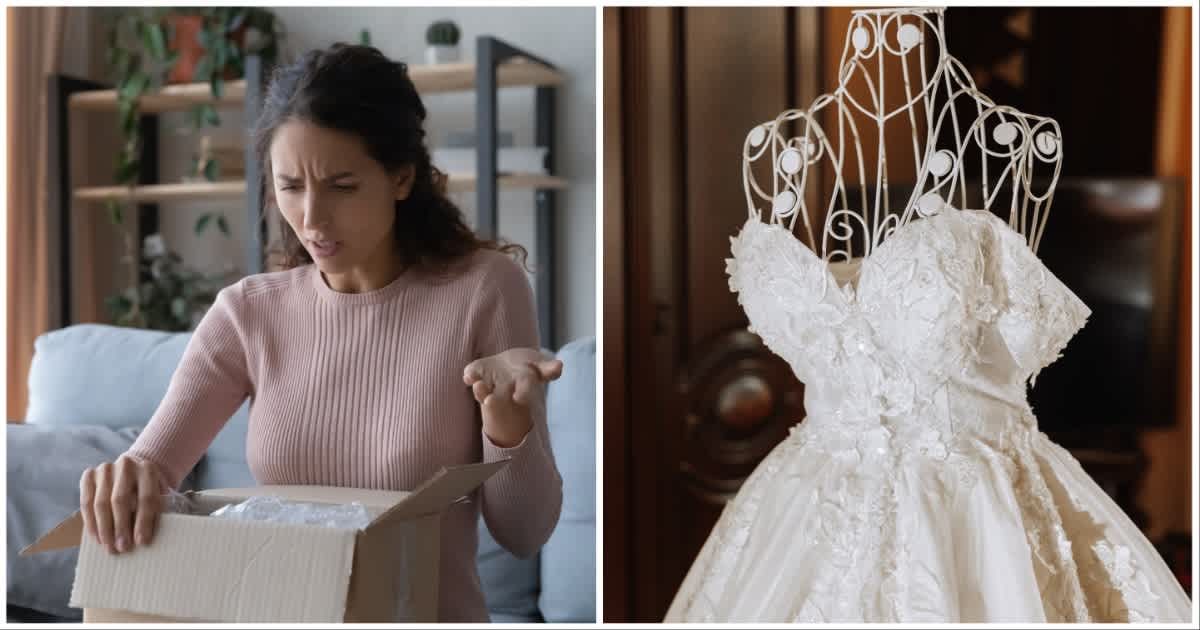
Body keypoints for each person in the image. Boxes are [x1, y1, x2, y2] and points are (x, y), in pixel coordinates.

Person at [77, 43, 564, 623]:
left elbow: (525, 533)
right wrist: (128, 479)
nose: (311, 218)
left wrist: (508, 423)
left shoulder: (485, 288)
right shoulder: (248, 312)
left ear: (402, 177)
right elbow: (152, 470)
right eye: (290, 186)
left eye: (342, 185)